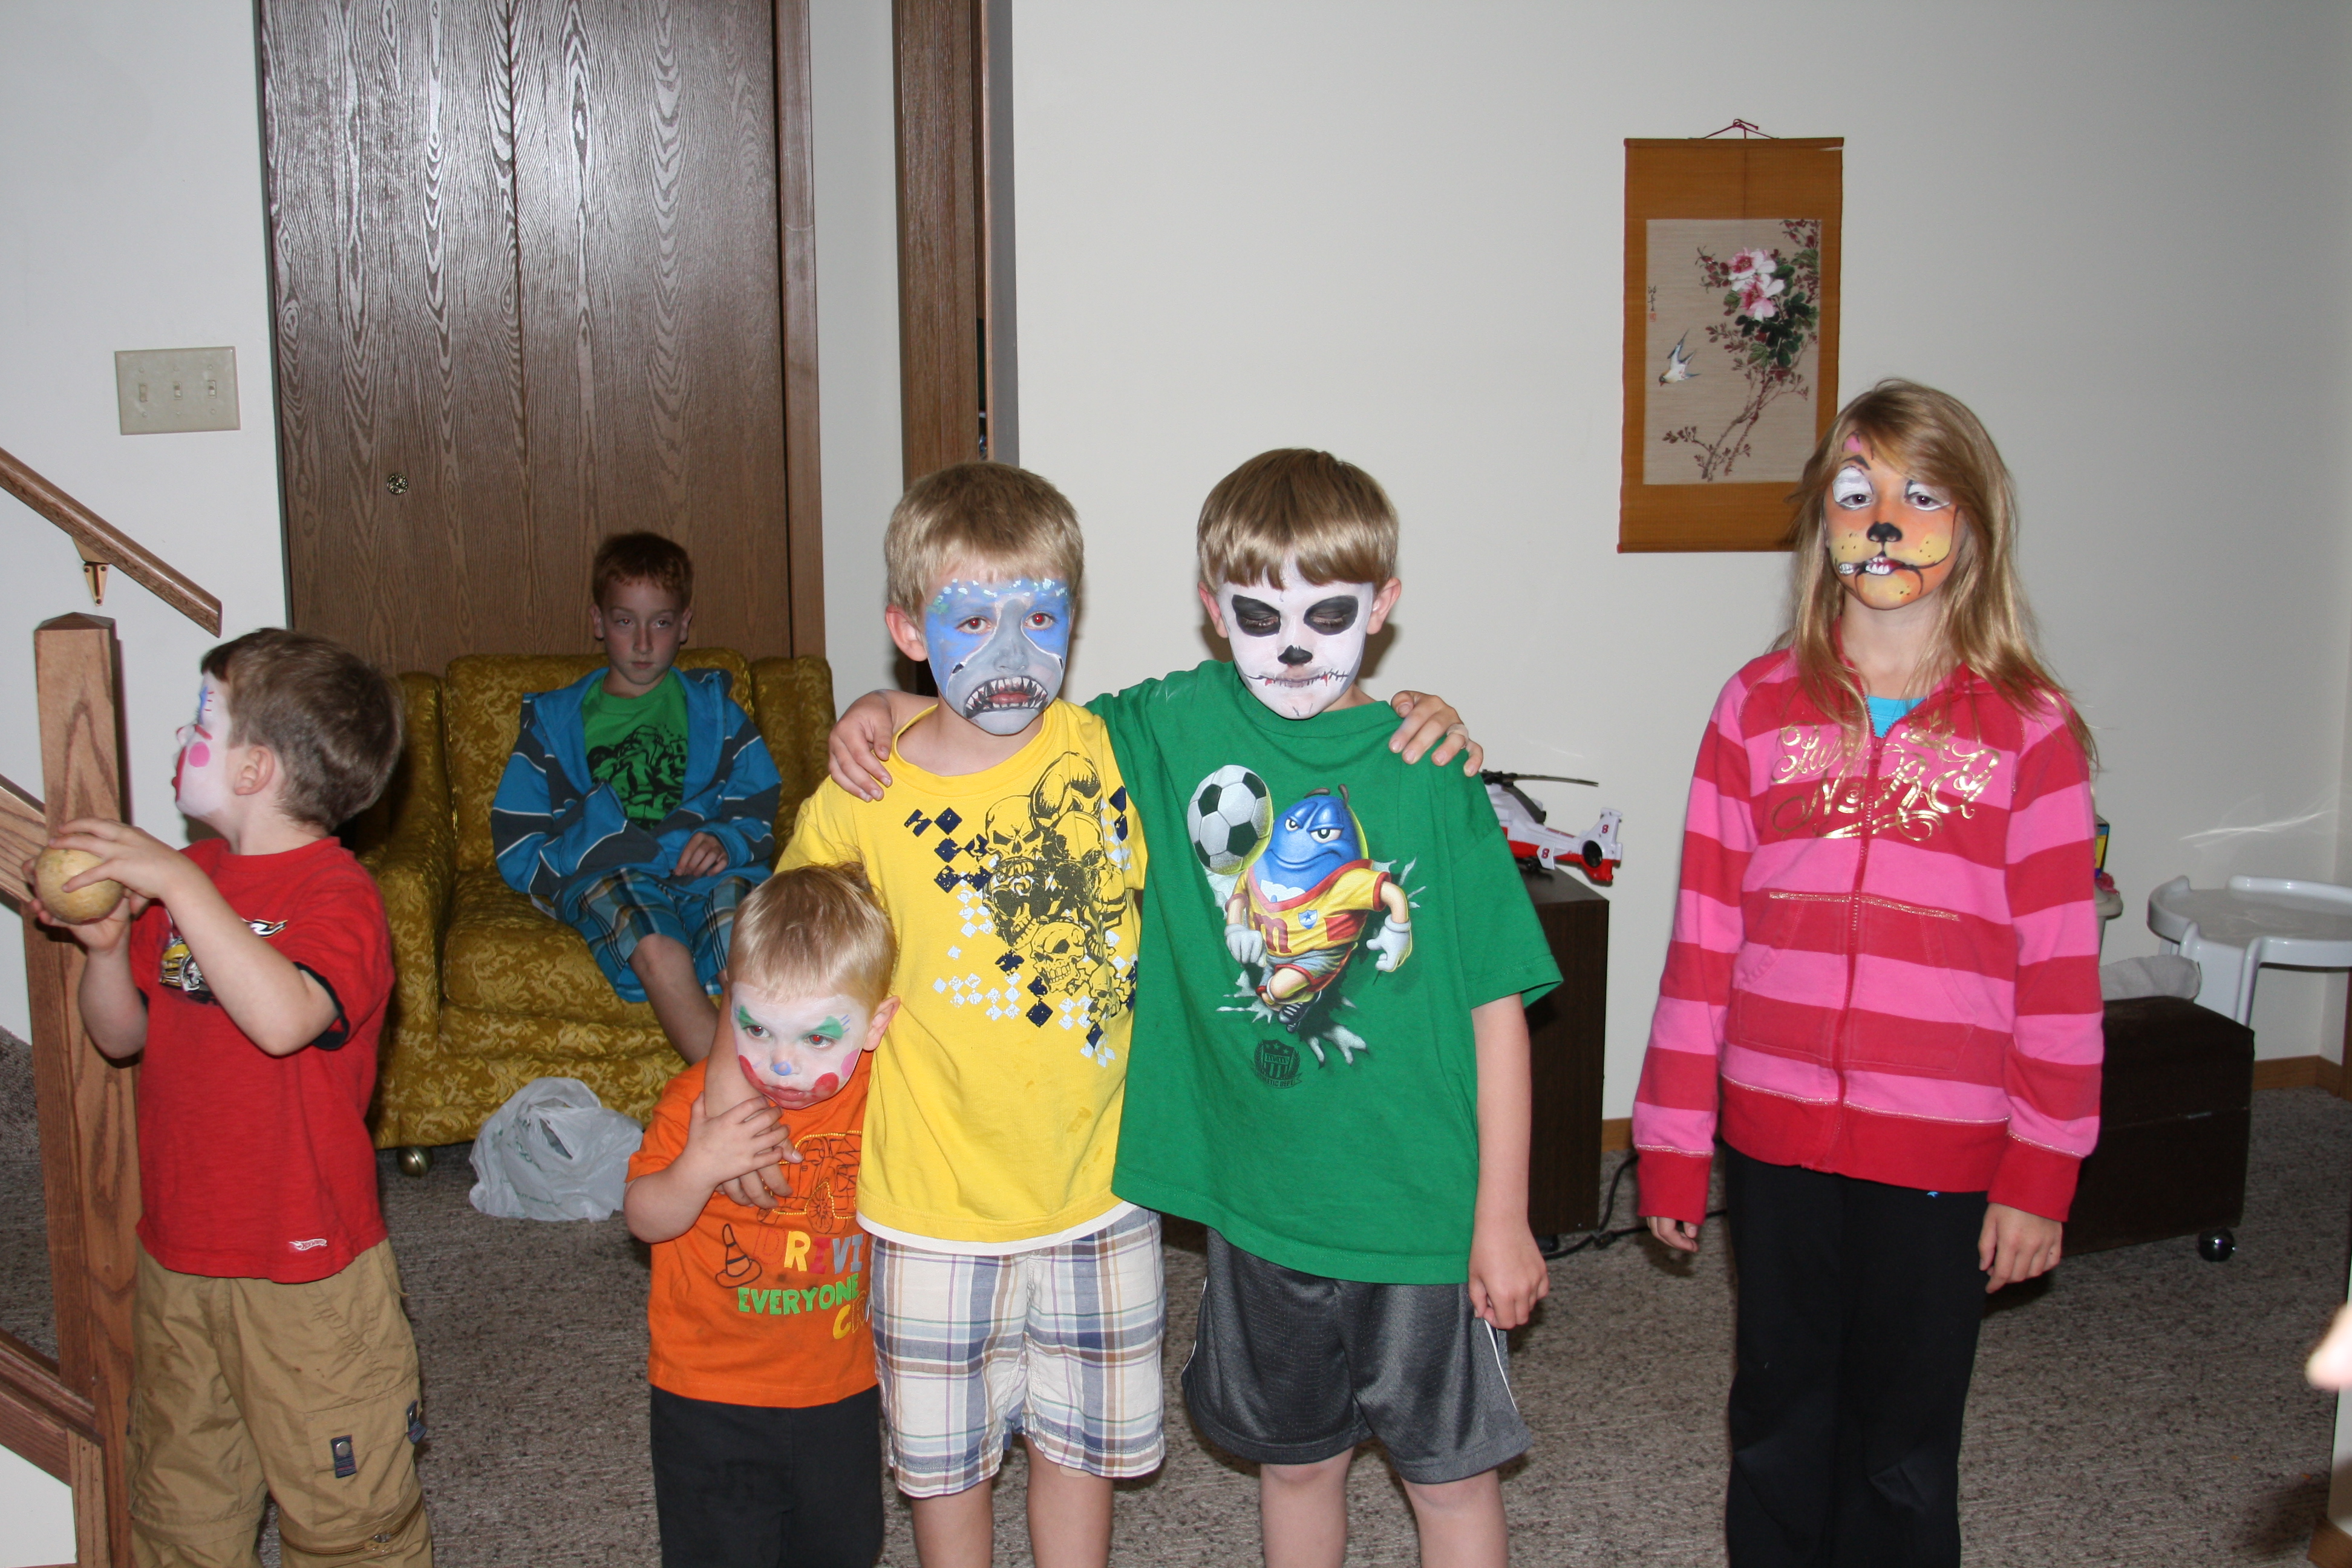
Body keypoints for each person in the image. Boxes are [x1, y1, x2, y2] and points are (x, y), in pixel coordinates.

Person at [729, 460, 1477, 1568]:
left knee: (1081, 1454)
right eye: (969, 622)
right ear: (908, 630)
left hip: (1103, 1198)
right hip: (932, 1211)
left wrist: (1418, 712)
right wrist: (725, 1114)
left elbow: (1280, 733)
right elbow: (774, 968)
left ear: (1073, 623)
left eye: (1039, 619)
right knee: (944, 1469)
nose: (1008, 652)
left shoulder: (1113, 748)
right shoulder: (862, 796)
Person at [1632, 380, 2103, 1567]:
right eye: (1857, 494)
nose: (1885, 521)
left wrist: (2041, 1169)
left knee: (1901, 1440)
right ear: (1822, 522)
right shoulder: (1754, 707)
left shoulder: (2029, 730)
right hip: (1775, 1135)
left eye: (1921, 495)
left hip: (1941, 1147)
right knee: (1778, 1412)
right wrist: (1673, 1137)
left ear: (1973, 526)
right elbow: (1701, 943)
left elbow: (2058, 971)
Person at [31, 628, 429, 1566]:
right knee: (180, 1505)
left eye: (204, 718)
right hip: (181, 1253)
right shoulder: (198, 885)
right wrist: (105, 954)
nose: (183, 732)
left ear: (255, 770)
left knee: (349, 1518)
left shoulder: (339, 897)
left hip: (307, 1272)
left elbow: (286, 1018)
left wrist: (172, 879)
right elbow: (121, 1036)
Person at [623, 862, 898, 1568]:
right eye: (755, 1028)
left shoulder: (889, 1095)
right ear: (727, 1007)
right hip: (707, 1394)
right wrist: (698, 1165)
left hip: (841, 1387)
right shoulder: (698, 1104)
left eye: (816, 1039)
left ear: (877, 1025)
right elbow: (644, 1218)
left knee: (844, 1546)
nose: (780, 1064)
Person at [491, 531, 783, 1062]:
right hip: (611, 871)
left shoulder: (716, 713)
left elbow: (756, 798)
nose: (644, 643)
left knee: (745, 944)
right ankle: (734, 1096)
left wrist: (726, 839)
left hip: (708, 871)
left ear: (685, 625)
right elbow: (517, 839)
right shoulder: (555, 723)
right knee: (656, 946)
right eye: (625, 622)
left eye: (661, 623)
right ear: (599, 622)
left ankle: (777, 1081)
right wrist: (575, 860)